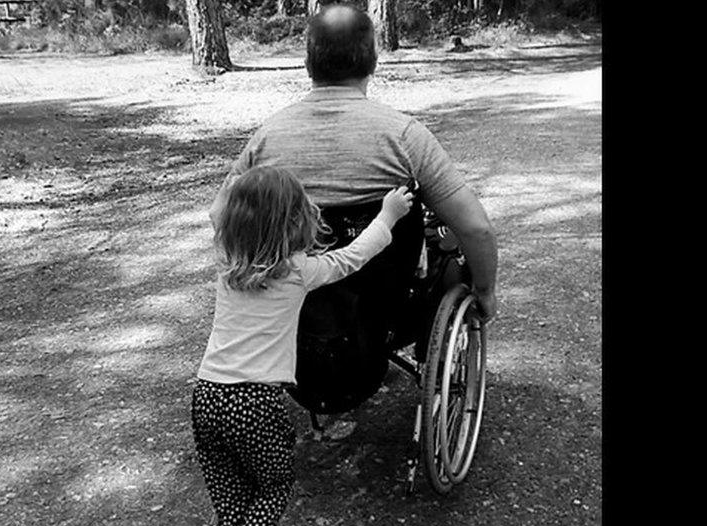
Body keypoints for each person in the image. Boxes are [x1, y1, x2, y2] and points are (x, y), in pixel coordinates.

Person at [209, 3, 498, 323]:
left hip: (290, 307)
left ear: (308, 64)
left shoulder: (267, 138)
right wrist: (484, 291)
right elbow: (476, 228)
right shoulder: (403, 136)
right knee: (444, 243)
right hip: (383, 301)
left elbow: (220, 215)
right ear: (373, 62)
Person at [192, 166, 413, 526]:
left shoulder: (226, 261)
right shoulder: (297, 272)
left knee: (232, 501)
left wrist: (238, 176)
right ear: (294, 222)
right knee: (274, 488)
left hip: (206, 396)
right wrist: (388, 214)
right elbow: (355, 256)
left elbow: (216, 214)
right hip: (255, 403)